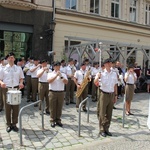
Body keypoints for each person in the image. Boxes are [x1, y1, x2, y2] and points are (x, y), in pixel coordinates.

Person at [0, 52, 24, 132]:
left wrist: (21, 83)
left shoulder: (18, 68)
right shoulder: (3, 68)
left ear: (14, 59)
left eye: (12, 57)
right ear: (7, 59)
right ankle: (8, 124)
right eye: (9, 58)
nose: (11, 59)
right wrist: (1, 83)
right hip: (6, 89)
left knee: (15, 107)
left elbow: (21, 78)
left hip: (16, 89)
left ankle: (14, 124)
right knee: (7, 108)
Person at [94, 58, 118, 137]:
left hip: (111, 94)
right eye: (107, 63)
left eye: (110, 63)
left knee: (109, 113)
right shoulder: (101, 73)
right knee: (102, 112)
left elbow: (115, 85)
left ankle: (107, 128)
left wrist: (115, 95)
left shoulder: (114, 73)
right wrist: (97, 77)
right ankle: (101, 129)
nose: (109, 64)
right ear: (104, 65)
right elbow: (95, 83)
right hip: (104, 94)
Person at [47, 61, 68, 128]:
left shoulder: (63, 74)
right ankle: (52, 120)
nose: (58, 68)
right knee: (52, 107)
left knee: (59, 107)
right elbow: (49, 81)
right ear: (54, 67)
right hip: (53, 92)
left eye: (59, 66)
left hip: (61, 92)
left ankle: (58, 120)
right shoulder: (50, 73)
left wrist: (61, 76)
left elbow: (66, 82)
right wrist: (56, 75)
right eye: (56, 66)